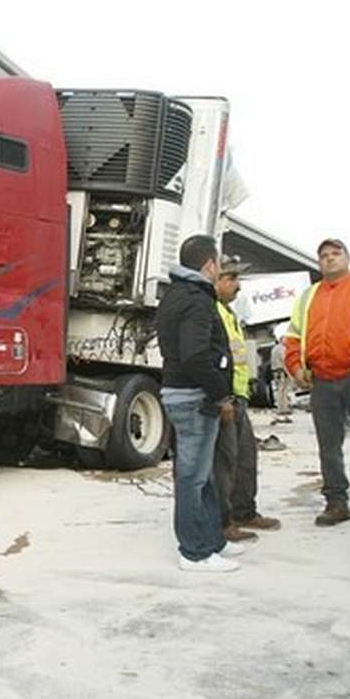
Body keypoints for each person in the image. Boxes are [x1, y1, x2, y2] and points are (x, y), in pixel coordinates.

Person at [284, 238, 350, 529]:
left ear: (348, 257)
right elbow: (293, 335)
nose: (329, 259)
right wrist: (295, 366)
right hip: (322, 381)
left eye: (335, 253)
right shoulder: (308, 296)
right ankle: (335, 502)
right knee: (328, 446)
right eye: (324, 255)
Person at [156, 235, 245, 573]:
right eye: (219, 264)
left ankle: (212, 543)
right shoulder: (197, 300)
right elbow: (195, 355)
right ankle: (194, 552)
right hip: (194, 396)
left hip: (181, 392)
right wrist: (220, 390)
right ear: (210, 265)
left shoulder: (175, 295)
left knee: (202, 474)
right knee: (192, 478)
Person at [213, 255, 282, 542]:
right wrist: (221, 398)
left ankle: (244, 510)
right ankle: (222, 521)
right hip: (226, 398)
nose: (237, 285)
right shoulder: (211, 312)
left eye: (237, 279)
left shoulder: (229, 314)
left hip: (239, 397)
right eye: (230, 279)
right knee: (224, 462)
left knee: (245, 457)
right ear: (214, 280)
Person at [270, 328, 294, 421]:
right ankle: (283, 408)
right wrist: (289, 373)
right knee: (283, 390)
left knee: (279, 390)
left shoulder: (274, 349)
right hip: (282, 371)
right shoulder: (282, 349)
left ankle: (280, 407)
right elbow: (285, 361)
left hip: (276, 371)